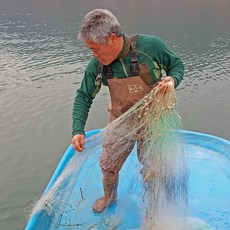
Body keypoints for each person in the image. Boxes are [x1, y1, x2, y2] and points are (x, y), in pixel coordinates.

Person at [71, 8, 184, 213]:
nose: (94, 54)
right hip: (121, 121)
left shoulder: (150, 47)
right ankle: (109, 196)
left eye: (95, 48)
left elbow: (176, 65)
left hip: (153, 122)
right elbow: (84, 95)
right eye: (90, 50)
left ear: (112, 38)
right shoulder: (98, 66)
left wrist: (172, 80)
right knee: (108, 165)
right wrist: (78, 129)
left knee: (154, 170)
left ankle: (153, 203)